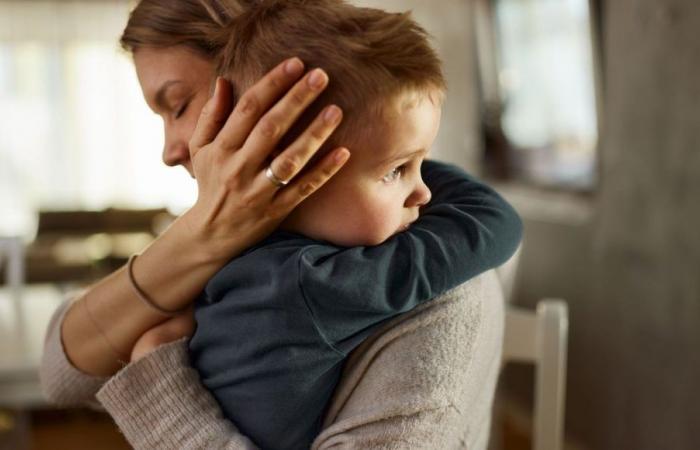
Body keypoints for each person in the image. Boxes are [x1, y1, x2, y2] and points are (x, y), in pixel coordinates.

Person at [39, 0, 521, 448]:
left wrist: (160, 390)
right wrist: (201, 236)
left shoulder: (433, 274)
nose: (169, 151)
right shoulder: (260, 239)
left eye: (179, 105)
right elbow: (62, 372)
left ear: (276, 99)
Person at [186, 2, 520, 449]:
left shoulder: (236, 255)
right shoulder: (321, 284)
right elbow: (494, 220)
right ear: (300, 176)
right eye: (395, 171)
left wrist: (398, 150)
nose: (423, 192)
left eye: (420, 165)